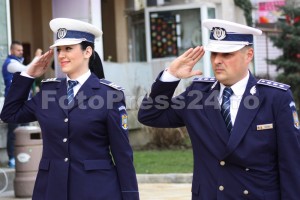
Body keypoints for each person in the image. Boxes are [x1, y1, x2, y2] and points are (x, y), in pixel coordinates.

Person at [138, 19, 300, 199]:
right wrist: (170, 77)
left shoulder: (275, 97)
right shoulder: (198, 95)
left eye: (227, 54)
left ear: (249, 55)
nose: (217, 61)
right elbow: (150, 115)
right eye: (214, 54)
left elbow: (291, 164)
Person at [0, 18, 139, 200]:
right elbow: (10, 113)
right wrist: (28, 75)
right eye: (59, 50)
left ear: (87, 51)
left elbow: (123, 155)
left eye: (68, 48)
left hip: (97, 191)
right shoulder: (48, 91)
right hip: (51, 190)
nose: (61, 55)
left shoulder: (109, 95)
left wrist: (130, 197)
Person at [1, 41, 42, 168]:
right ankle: (12, 158)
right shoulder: (10, 63)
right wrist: (37, 57)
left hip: (25, 102)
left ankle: (25, 156)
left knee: (25, 131)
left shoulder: (17, 62)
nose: (21, 52)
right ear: (12, 50)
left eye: (22, 50)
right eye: (18, 50)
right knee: (14, 131)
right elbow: (27, 69)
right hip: (13, 104)